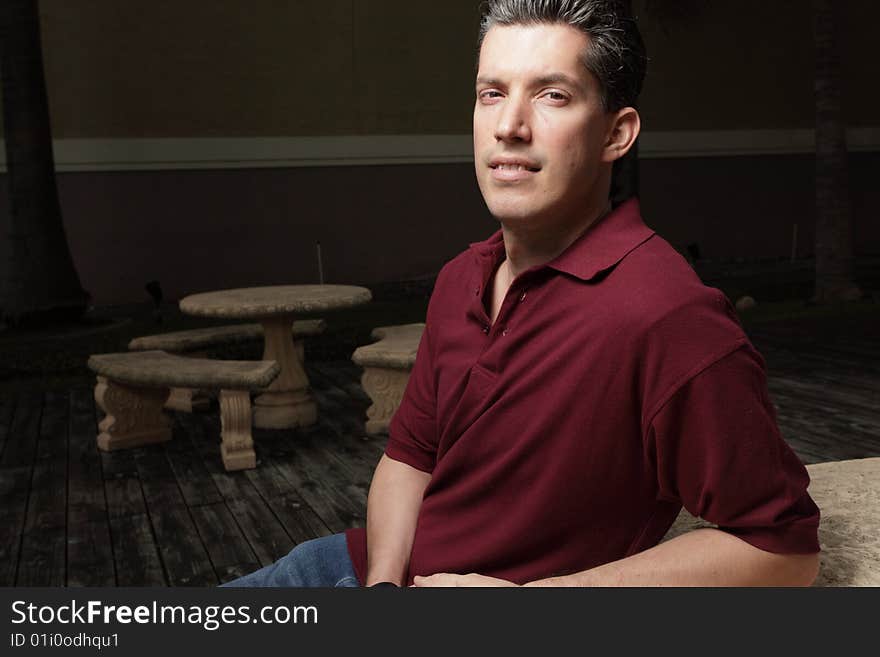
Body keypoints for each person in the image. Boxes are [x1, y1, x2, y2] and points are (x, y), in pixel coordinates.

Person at [224, 0, 820, 588]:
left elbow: (783, 550)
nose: (509, 125)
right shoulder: (463, 276)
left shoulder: (667, 315)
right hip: (346, 567)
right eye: (492, 93)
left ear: (617, 134)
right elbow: (410, 459)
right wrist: (383, 588)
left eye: (551, 94)